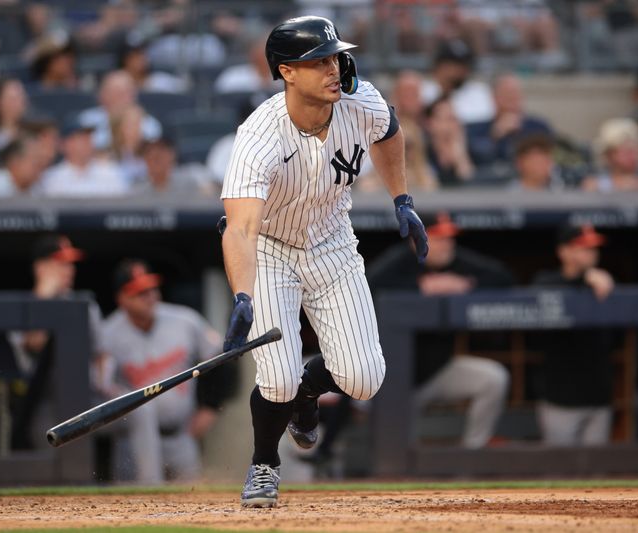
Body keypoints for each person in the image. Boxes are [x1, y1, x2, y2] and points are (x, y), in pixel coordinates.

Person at [219, 16, 428, 508]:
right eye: (318, 61)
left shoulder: (360, 100)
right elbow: (241, 228)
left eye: (334, 56)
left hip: (333, 244)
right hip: (269, 250)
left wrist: (402, 199)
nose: (334, 68)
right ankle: (265, 465)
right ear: (288, 72)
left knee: (364, 379)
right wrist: (244, 295)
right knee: (276, 378)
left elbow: (390, 131)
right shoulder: (259, 136)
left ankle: (309, 391)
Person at [367, 213, 512, 449]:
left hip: (438, 370)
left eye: (449, 238)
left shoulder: (456, 263)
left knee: (493, 379)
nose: (447, 244)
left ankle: (473, 451)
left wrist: (463, 284)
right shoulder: (399, 261)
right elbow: (368, 286)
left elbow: (504, 277)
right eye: (438, 238)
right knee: (397, 449)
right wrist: (419, 287)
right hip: (394, 379)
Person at [100, 259, 234, 483]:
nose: (149, 296)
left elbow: (223, 362)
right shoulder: (107, 335)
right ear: (122, 299)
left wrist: (210, 406)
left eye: (152, 289)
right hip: (132, 441)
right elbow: (100, 392)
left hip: (181, 437)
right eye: (139, 292)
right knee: (132, 509)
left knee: (191, 507)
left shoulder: (185, 321)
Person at [8, 234, 106, 449]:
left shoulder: (85, 304)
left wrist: (103, 383)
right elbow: (35, 343)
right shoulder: (22, 308)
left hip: (85, 398)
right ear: (41, 268)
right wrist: (44, 294)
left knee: (138, 415)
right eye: (61, 263)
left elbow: (101, 353)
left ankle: (141, 481)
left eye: (70, 264)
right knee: (54, 454)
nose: (69, 270)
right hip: (43, 403)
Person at [531, 223, 617, 446]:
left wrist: (599, 284)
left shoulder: (604, 284)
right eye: (582, 248)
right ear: (563, 251)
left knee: (597, 476)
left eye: (593, 248)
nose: (590, 254)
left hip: (599, 398)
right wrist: (583, 280)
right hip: (559, 399)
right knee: (557, 475)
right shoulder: (546, 282)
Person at [466, 72, 553, 170]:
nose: (513, 99)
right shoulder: (476, 129)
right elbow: (473, 158)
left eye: (516, 93)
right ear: (493, 97)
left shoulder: (538, 127)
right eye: (507, 94)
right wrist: (495, 134)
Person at [40, 114, 127, 197]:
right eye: (79, 137)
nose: (86, 142)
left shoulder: (110, 173)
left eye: (88, 136)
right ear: (63, 144)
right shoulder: (52, 178)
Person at [79, 70, 162, 152]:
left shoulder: (148, 123)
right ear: (103, 94)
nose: (122, 98)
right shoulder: (87, 119)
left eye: (127, 92)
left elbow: (150, 150)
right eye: (116, 92)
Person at [581, 118, 638, 192]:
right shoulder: (595, 185)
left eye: (637, 150)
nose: (634, 156)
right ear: (610, 155)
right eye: (627, 151)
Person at [421, 38, 495, 125]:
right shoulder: (422, 90)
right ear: (438, 67)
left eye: (462, 65)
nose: (455, 72)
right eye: (450, 65)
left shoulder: (479, 92)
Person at [424, 95, 474, 186]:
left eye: (454, 119)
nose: (451, 126)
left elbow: (473, 187)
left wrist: (461, 157)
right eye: (446, 119)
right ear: (430, 123)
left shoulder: (473, 151)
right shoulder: (422, 153)